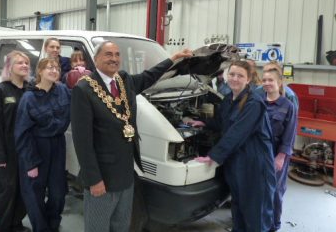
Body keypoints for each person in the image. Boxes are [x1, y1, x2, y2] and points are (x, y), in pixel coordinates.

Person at [71, 41, 193, 232]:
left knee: (122, 224)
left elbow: (148, 76)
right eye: (108, 54)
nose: (114, 59)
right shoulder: (83, 90)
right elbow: (82, 142)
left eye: (117, 54)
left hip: (126, 173)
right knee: (98, 226)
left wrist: (172, 59)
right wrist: (94, 180)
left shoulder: (123, 80)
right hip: (102, 176)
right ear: (96, 59)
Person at [194, 60, 276, 232]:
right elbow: (223, 122)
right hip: (237, 162)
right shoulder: (229, 99)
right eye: (232, 74)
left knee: (255, 213)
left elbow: (236, 133)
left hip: (255, 164)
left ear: (248, 80)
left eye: (240, 76)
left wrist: (213, 156)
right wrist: (204, 122)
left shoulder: (254, 103)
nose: (234, 78)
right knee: (238, 207)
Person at [15, 58, 71, 232]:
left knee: (58, 193)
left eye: (56, 68)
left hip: (58, 145)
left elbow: (82, 101)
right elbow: (22, 133)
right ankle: (41, 228)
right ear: (40, 71)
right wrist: (30, 163)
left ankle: (53, 225)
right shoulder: (28, 98)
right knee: (34, 194)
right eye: (49, 68)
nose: (54, 70)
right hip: (36, 147)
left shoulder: (63, 90)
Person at [0, 50, 31, 232]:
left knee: (22, 191)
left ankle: (15, 224)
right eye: (19, 63)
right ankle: (1, 228)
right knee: (5, 192)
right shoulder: (0, 92)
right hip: (6, 152)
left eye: (26, 63)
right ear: (9, 67)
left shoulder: (30, 90)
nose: (24, 66)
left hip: (26, 152)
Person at [262, 68, 296, 232]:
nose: (267, 83)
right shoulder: (258, 101)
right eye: (265, 80)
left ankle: (274, 225)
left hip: (277, 153)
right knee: (260, 188)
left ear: (279, 83)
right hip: (260, 152)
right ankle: (261, 221)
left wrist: (281, 157)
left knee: (275, 191)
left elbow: (290, 133)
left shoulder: (287, 105)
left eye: (271, 80)